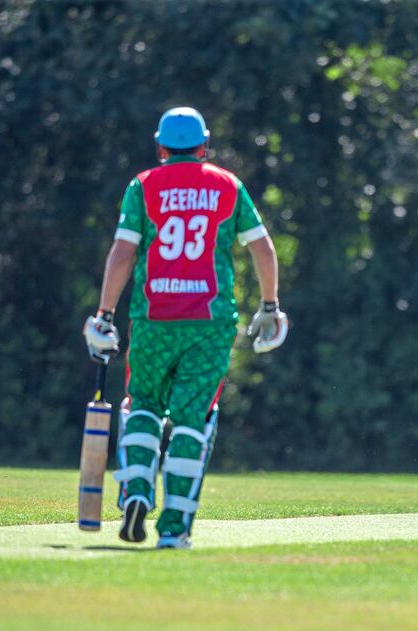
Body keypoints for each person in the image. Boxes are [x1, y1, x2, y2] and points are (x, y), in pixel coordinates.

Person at [83, 107, 288, 550]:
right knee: (194, 421)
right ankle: (174, 528)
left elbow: (122, 253)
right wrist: (270, 305)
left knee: (142, 406)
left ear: (160, 147)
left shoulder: (143, 185)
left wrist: (103, 314)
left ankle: (136, 489)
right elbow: (264, 248)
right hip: (209, 325)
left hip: (153, 320)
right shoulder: (227, 185)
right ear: (204, 145)